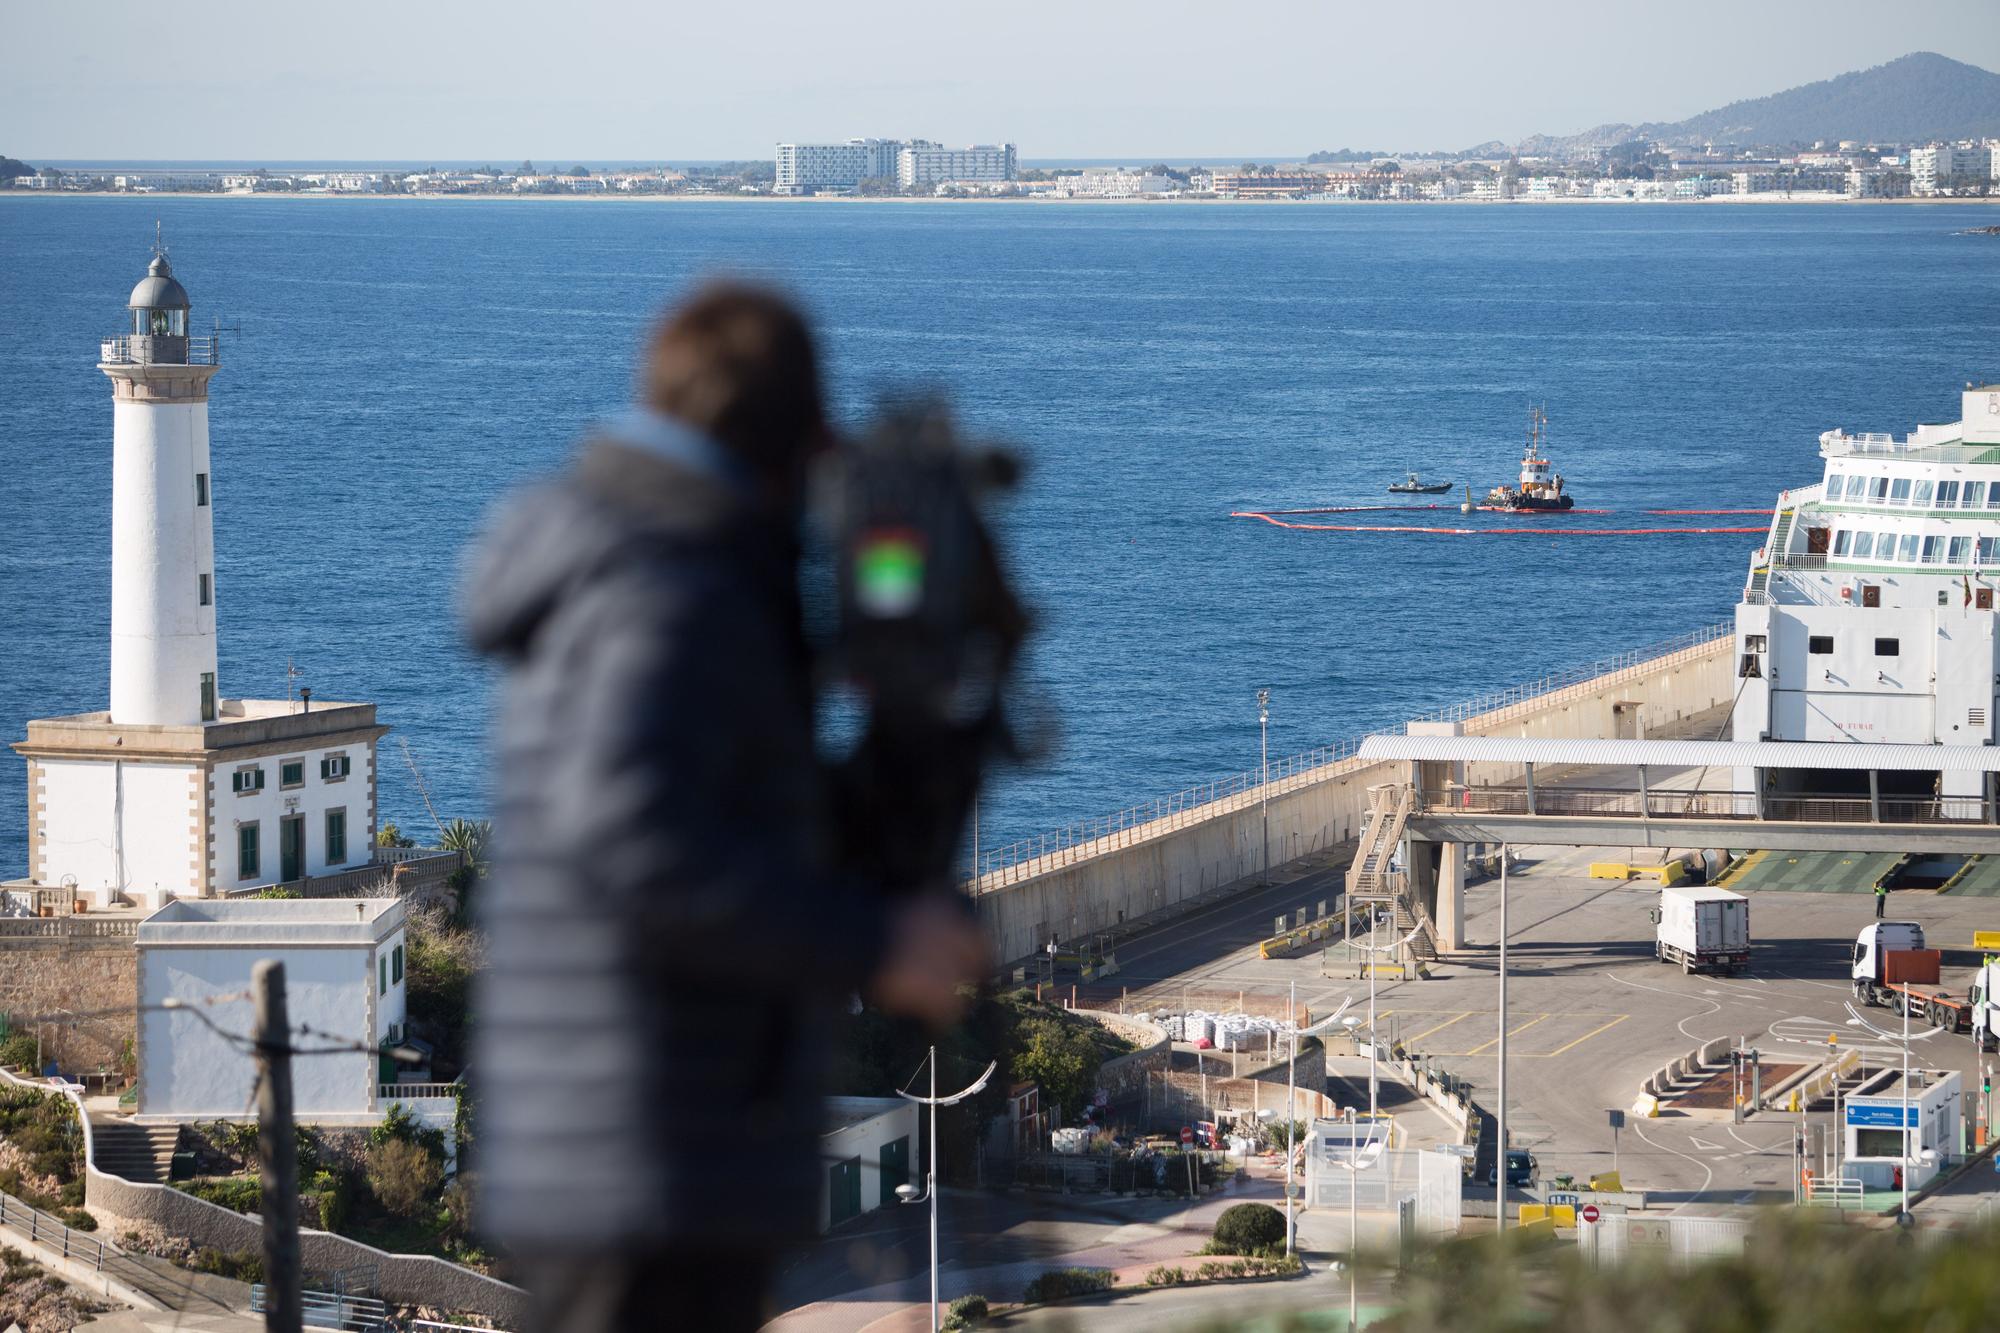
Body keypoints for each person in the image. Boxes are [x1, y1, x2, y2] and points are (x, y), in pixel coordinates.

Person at [463, 284, 991, 1332]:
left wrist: (899, 705)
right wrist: (872, 941)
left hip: (639, 1145)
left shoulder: (650, 563)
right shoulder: (671, 585)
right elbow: (636, 841)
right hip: (649, 1152)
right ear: (804, 437)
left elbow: (719, 824)